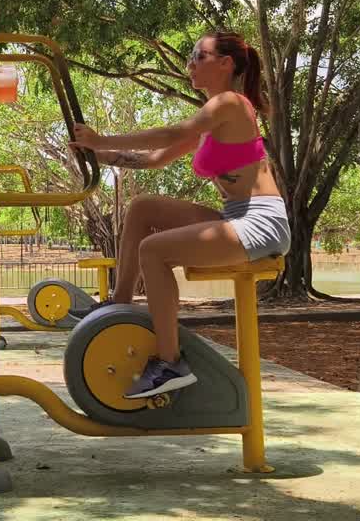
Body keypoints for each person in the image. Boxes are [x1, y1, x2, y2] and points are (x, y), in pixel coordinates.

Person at [68, 30, 290, 399]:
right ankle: (119, 305)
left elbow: (172, 132)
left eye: (197, 56)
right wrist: (95, 154)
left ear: (225, 64)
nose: (189, 64)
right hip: (234, 216)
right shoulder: (211, 120)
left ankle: (170, 362)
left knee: (154, 250)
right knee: (143, 208)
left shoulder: (231, 104)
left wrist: (101, 138)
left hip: (261, 223)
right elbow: (155, 158)